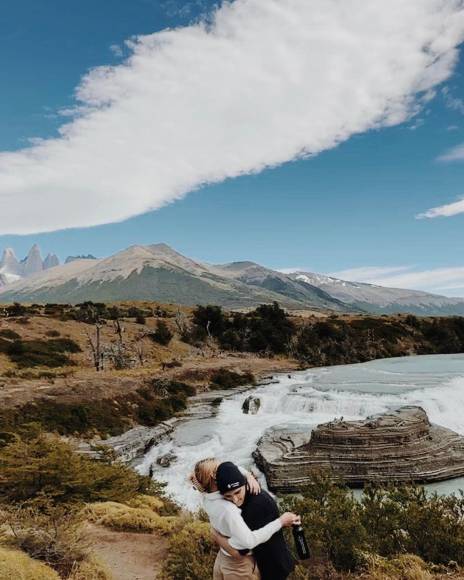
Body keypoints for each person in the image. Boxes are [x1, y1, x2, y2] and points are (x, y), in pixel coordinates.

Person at [189, 458, 299, 579]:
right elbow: (241, 550)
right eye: (230, 495)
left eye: (237, 492)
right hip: (238, 563)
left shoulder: (206, 495)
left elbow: (231, 469)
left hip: (238, 560)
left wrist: (248, 475)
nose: (235, 500)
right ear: (214, 478)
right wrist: (281, 521)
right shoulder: (228, 507)